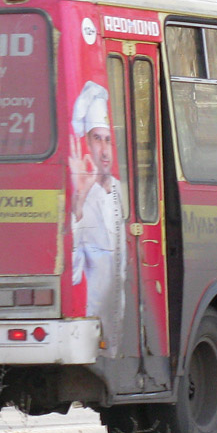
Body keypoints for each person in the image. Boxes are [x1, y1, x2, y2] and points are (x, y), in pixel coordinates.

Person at [68, 80, 126, 355]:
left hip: (122, 326)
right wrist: (79, 203)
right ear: (87, 144)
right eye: (97, 139)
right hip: (95, 333)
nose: (104, 150)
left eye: (108, 140)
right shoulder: (82, 197)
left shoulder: (120, 190)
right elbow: (74, 271)